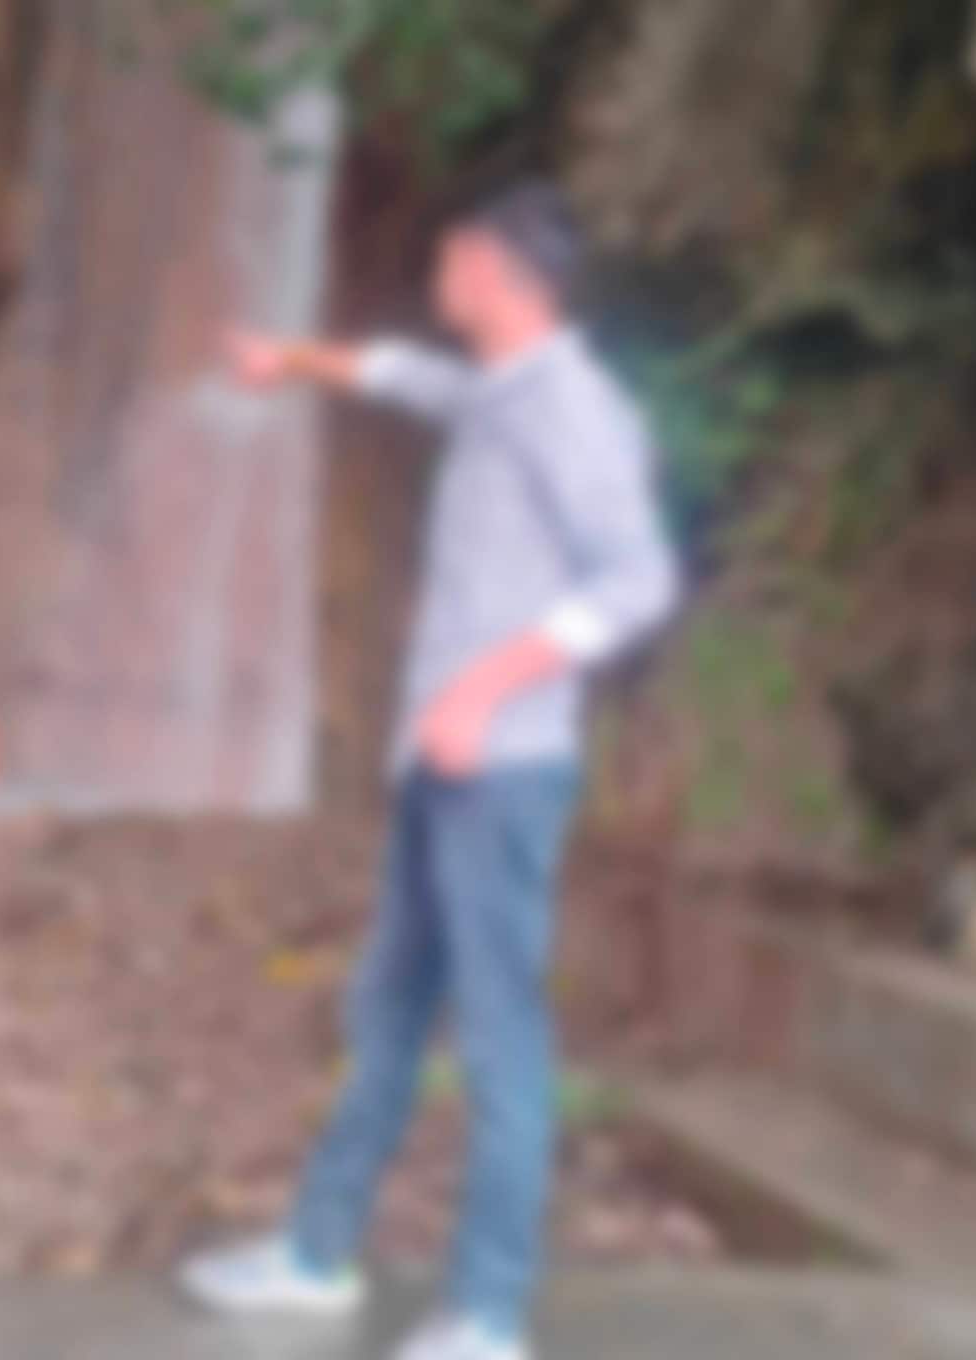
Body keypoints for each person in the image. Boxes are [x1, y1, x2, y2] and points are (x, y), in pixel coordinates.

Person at [177, 182, 681, 1360]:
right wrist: (289, 361)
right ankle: (316, 1256)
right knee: (389, 1012)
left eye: (453, 258)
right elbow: (402, 373)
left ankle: (491, 1317)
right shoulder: (500, 392)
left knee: (502, 1040)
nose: (437, 272)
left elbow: (639, 580)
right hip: (439, 766)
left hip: (503, 774)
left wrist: (483, 685)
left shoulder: (575, 411)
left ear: (501, 274)